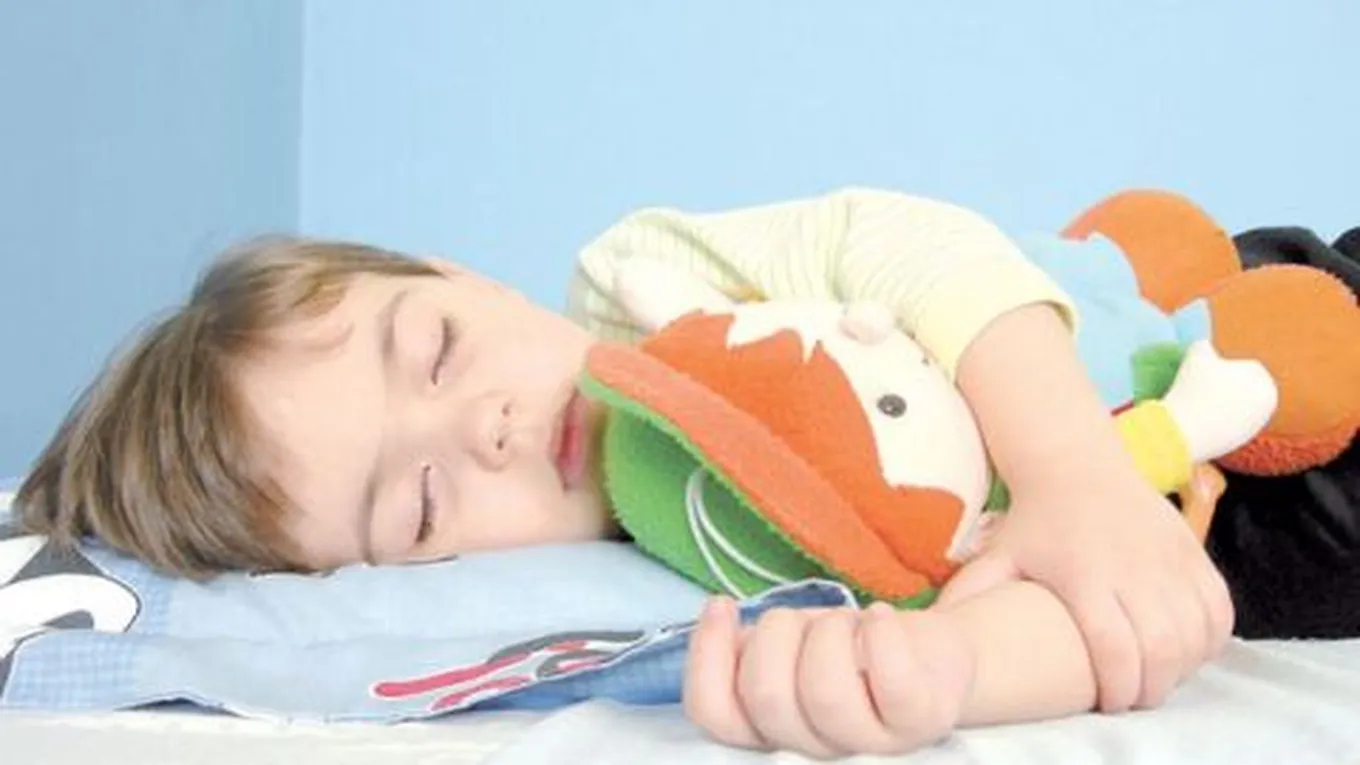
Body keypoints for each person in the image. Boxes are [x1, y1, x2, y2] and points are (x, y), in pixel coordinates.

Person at [14, 188, 1233, 759]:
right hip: (1253, 518)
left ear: (463, 280)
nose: (488, 428)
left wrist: (1071, 472)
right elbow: (1091, 625)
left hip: (1220, 333)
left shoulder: (650, 284)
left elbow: (914, 243)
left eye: (438, 349)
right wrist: (937, 669)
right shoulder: (681, 589)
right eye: (422, 501)